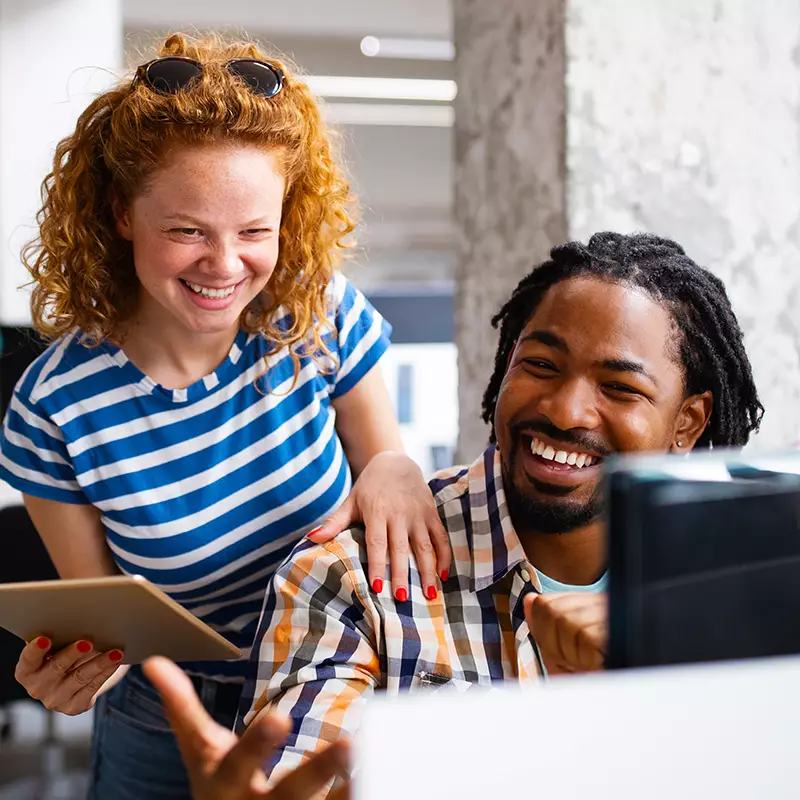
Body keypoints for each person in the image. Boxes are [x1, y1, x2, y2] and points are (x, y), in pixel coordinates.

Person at [136, 231, 765, 798]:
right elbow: (306, 770)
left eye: (620, 388)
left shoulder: (741, 584)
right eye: (540, 365)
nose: (568, 411)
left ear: (686, 423)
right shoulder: (350, 575)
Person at [0, 33, 452, 798]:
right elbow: (108, 624)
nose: (224, 265)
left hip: (334, 685)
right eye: (186, 231)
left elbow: (386, 467)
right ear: (119, 216)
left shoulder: (319, 315)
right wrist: (74, 672)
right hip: (165, 719)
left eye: (254, 231)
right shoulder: (54, 405)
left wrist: (398, 472)